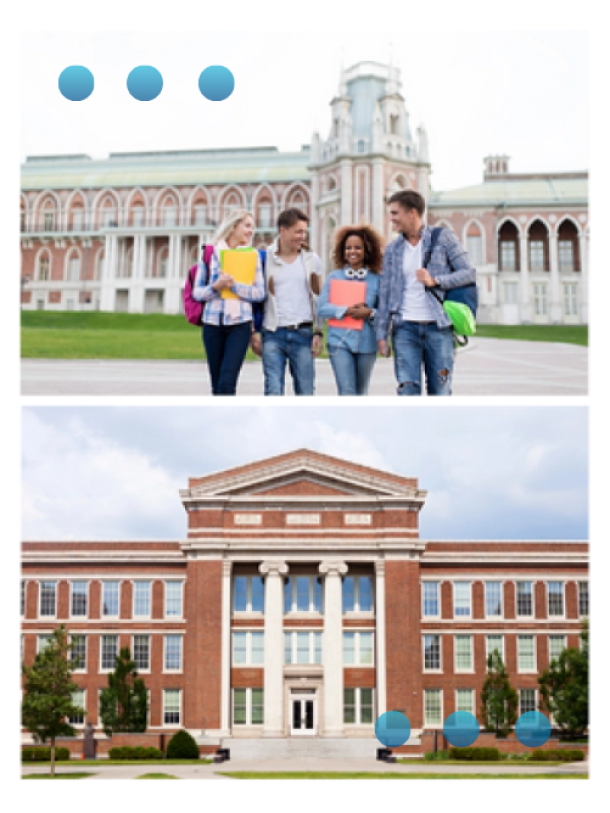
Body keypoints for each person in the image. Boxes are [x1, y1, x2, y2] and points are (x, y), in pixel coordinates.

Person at [376, 189, 476, 397]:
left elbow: (469, 273)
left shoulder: (443, 239)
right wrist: (382, 334)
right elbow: (385, 293)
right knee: (407, 390)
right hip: (404, 329)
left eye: (395, 213)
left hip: (439, 328)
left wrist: (435, 280)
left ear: (412, 213)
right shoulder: (393, 249)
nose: (391, 219)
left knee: (441, 389)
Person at [250, 208, 323, 397]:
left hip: (303, 333)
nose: (302, 236)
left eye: (304, 231)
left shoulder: (312, 260)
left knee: (306, 393)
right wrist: (253, 333)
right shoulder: (264, 259)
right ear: (283, 231)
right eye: (298, 231)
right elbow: (254, 298)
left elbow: (318, 297)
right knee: (273, 392)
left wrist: (319, 332)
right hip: (273, 334)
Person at [191, 209, 265, 397]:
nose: (251, 231)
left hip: (240, 325)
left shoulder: (252, 256)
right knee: (217, 386)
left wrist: (234, 287)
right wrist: (216, 287)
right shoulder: (210, 253)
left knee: (227, 383)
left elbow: (259, 293)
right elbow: (197, 292)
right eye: (247, 226)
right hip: (212, 325)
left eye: (253, 227)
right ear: (233, 226)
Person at [316, 225, 383, 397]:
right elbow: (321, 308)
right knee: (346, 392)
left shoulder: (377, 279)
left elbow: (385, 312)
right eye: (348, 248)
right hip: (339, 343)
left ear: (367, 250)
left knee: (361, 394)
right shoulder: (334, 277)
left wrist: (369, 313)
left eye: (357, 247)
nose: (352, 251)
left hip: (367, 344)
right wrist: (345, 310)